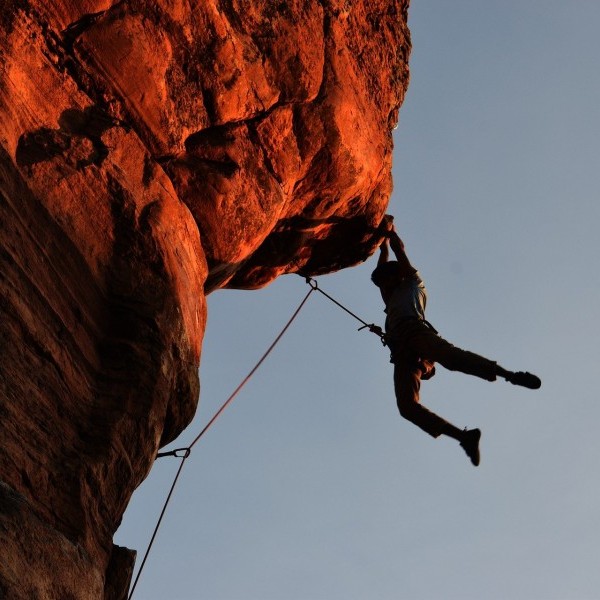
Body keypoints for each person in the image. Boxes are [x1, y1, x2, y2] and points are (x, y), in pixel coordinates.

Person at [371, 215, 541, 466]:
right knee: (407, 407)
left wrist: (391, 232)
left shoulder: (412, 284)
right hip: (403, 352)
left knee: (451, 358)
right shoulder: (392, 296)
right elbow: (384, 260)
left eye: (385, 282)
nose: (382, 288)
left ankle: (509, 374)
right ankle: (464, 437)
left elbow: (398, 251)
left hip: (417, 333)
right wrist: (382, 242)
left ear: (396, 277)